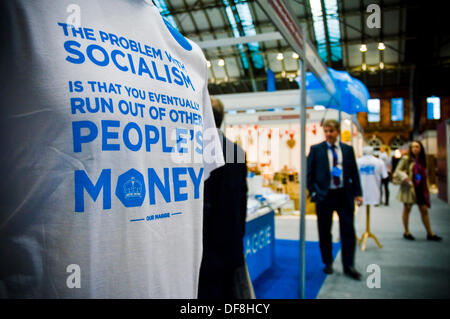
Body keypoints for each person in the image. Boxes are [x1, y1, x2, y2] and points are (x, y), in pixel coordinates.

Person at [198, 97, 254, 299]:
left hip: (207, 246)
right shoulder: (237, 151)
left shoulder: (196, 151)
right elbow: (242, 199)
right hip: (230, 240)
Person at [307, 119, 363, 280]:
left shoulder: (347, 150)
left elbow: (354, 173)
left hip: (344, 195)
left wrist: (358, 193)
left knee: (348, 231)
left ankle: (349, 265)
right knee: (324, 231)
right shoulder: (316, 149)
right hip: (324, 196)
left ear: (337, 131)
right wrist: (313, 192)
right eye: (326, 131)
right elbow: (308, 173)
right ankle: (328, 263)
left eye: (331, 131)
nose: (328, 134)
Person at [393, 140, 442, 241]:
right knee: (407, 209)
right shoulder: (406, 159)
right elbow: (398, 171)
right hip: (409, 187)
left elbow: (427, 174)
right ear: (410, 149)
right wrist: (405, 177)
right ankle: (406, 232)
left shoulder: (424, 160)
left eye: (417, 147)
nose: (415, 149)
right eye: (413, 147)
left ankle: (430, 233)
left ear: (421, 149)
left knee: (424, 210)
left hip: (421, 188)